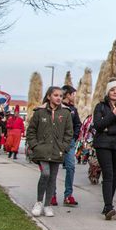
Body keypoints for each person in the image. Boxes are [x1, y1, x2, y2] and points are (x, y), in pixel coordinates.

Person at [26, 86, 73, 218]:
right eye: (56, 95)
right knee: (45, 174)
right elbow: (31, 131)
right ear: (49, 96)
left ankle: (47, 205)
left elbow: (69, 133)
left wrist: (63, 147)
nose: (59, 98)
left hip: (57, 151)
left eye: (61, 96)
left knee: (52, 178)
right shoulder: (39, 112)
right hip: (42, 150)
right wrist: (35, 146)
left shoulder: (66, 113)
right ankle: (39, 202)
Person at [92, 80, 116, 220]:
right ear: (107, 92)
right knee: (108, 174)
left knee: (114, 175)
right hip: (103, 145)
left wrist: (109, 129)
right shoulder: (100, 106)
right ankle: (109, 206)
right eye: (112, 90)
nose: (115, 92)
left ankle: (107, 204)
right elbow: (98, 125)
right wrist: (113, 114)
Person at [50, 85, 82, 207]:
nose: (74, 96)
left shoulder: (73, 110)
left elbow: (77, 124)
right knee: (54, 168)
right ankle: (52, 194)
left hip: (69, 142)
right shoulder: (56, 108)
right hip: (55, 142)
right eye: (73, 94)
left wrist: (74, 137)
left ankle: (68, 195)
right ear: (67, 94)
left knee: (70, 166)